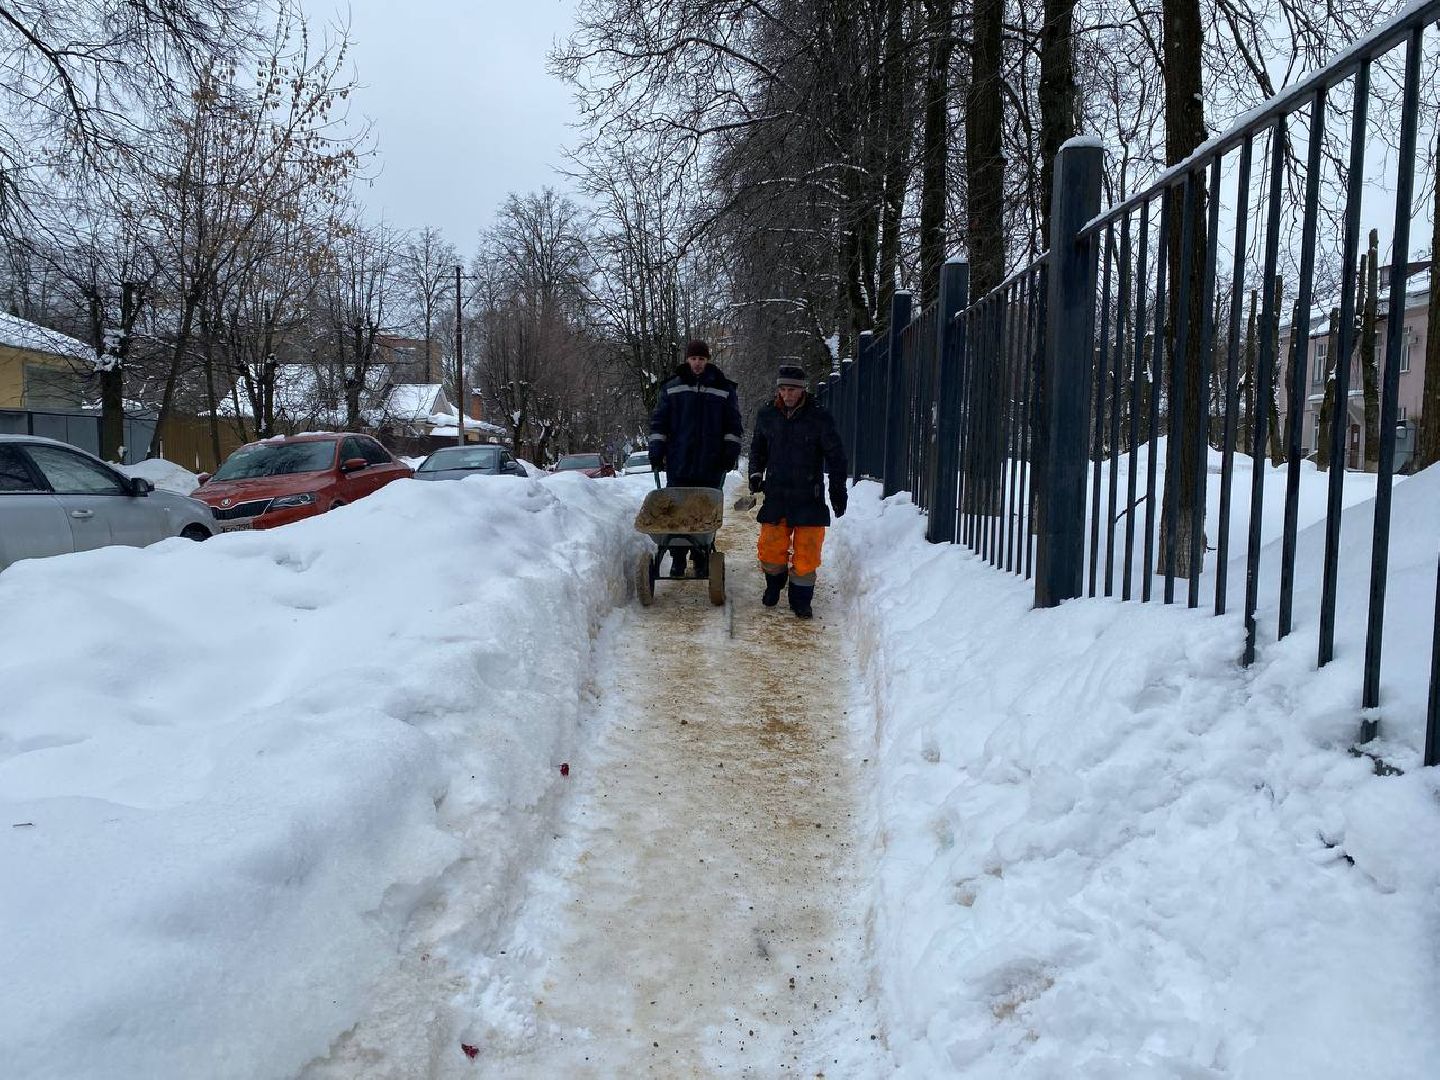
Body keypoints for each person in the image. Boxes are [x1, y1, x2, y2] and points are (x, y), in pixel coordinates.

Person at [747, 363, 848, 618]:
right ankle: (774, 583)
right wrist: (756, 474)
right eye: (783, 389)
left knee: (807, 554)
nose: (787, 394)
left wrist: (838, 491)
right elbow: (758, 448)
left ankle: (801, 600)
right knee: (770, 549)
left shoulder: (819, 417)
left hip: (808, 496)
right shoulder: (767, 414)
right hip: (777, 494)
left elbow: (836, 457)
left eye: (792, 389)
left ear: (802, 389)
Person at [648, 339, 744, 577]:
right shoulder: (672, 387)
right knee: (677, 512)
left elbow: (733, 425)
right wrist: (656, 451)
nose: (697, 363)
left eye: (701, 359)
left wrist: (730, 452)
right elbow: (659, 422)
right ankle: (678, 559)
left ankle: (701, 556)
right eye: (693, 358)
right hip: (679, 460)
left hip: (710, 461)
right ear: (687, 360)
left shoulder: (724, 388)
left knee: (704, 513)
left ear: (707, 360)